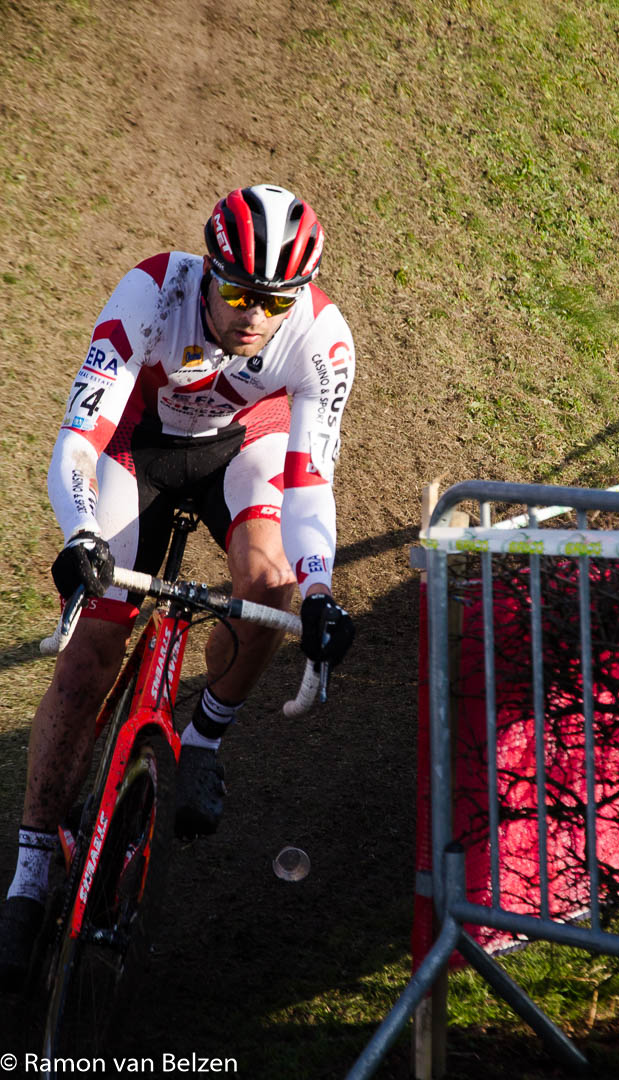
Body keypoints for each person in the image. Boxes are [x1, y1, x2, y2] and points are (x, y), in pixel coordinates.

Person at [0, 183, 355, 989]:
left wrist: (321, 590)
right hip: (138, 445)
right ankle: (29, 872)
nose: (254, 315)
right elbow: (79, 439)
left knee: (269, 586)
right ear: (208, 270)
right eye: (238, 293)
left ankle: (202, 743)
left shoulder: (321, 338)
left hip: (243, 446)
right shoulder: (152, 291)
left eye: (276, 299)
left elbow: (309, 482)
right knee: (91, 647)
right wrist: (83, 537)